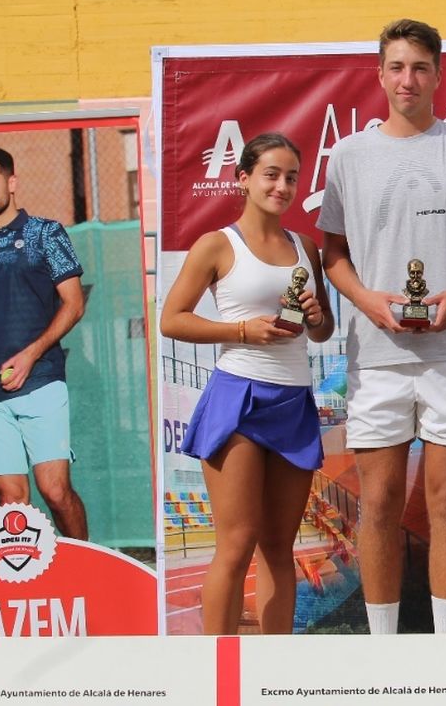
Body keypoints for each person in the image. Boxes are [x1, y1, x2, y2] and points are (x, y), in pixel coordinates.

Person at [316, 18, 446, 635]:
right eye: (397, 67)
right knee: (379, 505)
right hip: (376, 353)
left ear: (438, 75)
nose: (408, 79)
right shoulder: (348, 155)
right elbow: (333, 256)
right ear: (379, 74)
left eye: (420, 68)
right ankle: (385, 654)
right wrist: (370, 301)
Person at [160, 133, 334, 635]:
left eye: (291, 177)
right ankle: (218, 674)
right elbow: (172, 320)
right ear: (243, 179)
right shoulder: (217, 244)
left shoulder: (306, 248)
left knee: (281, 547)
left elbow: (318, 331)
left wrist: (318, 317)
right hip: (239, 396)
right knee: (236, 544)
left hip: (293, 399)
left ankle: (273, 675)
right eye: (271, 175)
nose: (282, 186)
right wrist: (240, 330)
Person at [0, 147, 89, 540]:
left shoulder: (47, 233)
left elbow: (74, 304)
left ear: (12, 182)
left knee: (55, 491)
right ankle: (30, 588)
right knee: (12, 502)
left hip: (41, 382)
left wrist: (30, 354)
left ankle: (85, 572)